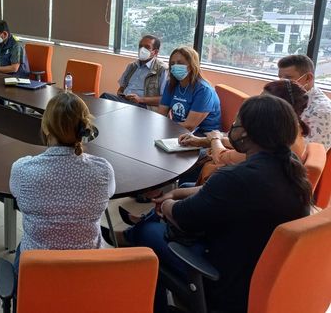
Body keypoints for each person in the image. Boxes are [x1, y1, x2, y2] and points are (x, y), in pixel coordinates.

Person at [106, 95, 311, 313]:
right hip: (257, 271)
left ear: (246, 133)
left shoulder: (237, 178)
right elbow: (216, 193)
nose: (232, 128)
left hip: (221, 280)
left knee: (146, 233)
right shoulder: (291, 168)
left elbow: (183, 218)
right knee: (183, 192)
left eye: (237, 122)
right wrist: (175, 193)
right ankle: (131, 232)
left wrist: (165, 205)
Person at [10, 91, 115, 272]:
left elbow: (15, 192)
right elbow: (109, 193)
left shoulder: (22, 170)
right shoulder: (103, 171)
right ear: (85, 128)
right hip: (88, 268)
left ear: (46, 128)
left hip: (37, 268)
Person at [178, 79, 309, 169]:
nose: (259, 103)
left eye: (264, 100)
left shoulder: (279, 142)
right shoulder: (288, 129)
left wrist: (215, 139)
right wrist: (201, 141)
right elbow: (244, 143)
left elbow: (222, 158)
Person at [159, 46, 221, 134]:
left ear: (192, 65)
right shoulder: (171, 84)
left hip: (202, 136)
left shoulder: (204, 90)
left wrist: (164, 126)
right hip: (177, 131)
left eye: (180, 63)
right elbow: (161, 115)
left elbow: (190, 126)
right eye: (172, 63)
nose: (175, 66)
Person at [278, 54, 331, 151]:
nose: (281, 83)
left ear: (308, 78)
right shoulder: (289, 97)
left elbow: (308, 154)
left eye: (288, 78)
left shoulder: (322, 112)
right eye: (280, 78)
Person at [100, 35, 167, 111]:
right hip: (125, 101)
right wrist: (121, 94)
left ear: (155, 52)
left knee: (105, 96)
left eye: (147, 47)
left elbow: (165, 100)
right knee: (104, 102)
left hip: (144, 106)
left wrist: (140, 99)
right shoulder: (132, 66)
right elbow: (122, 88)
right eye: (140, 46)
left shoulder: (162, 69)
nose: (142, 49)